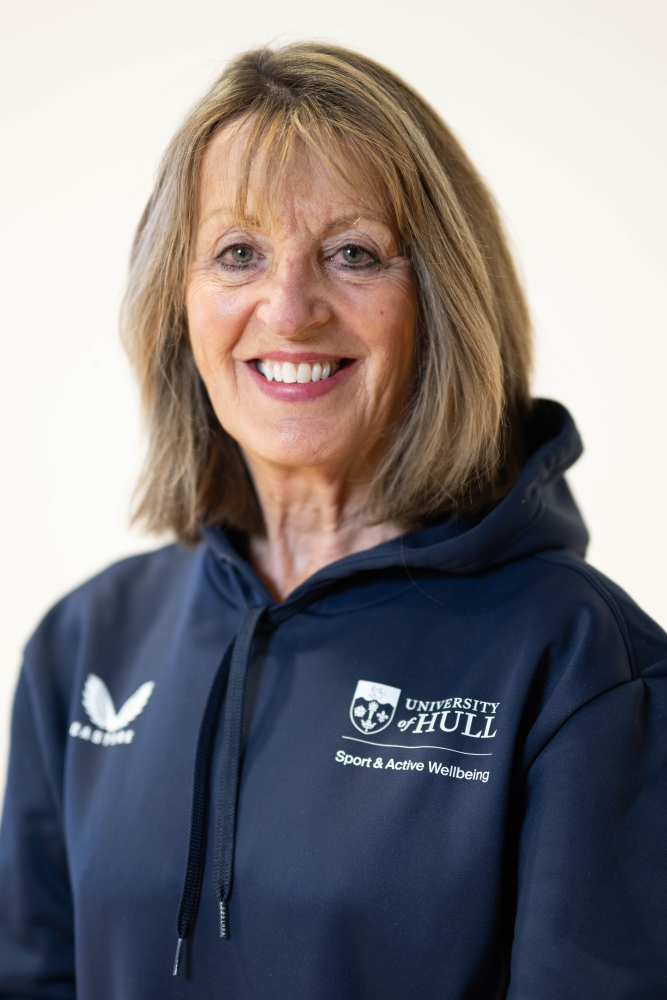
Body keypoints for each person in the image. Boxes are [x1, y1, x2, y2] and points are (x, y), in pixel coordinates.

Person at [0, 42, 665, 1000]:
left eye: (352, 254)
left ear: (439, 303)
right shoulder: (85, 644)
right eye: (238, 253)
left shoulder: (581, 666)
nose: (289, 308)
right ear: (178, 302)